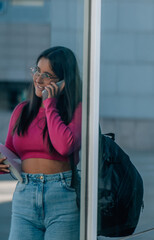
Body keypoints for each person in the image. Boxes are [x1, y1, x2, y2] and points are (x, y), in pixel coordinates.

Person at [0, 46, 82, 240]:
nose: (38, 79)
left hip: (62, 196)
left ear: (63, 81)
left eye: (47, 75)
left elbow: (65, 146)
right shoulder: (22, 111)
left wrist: (50, 105)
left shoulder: (77, 111)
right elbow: (11, 152)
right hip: (25, 195)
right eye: (37, 70)